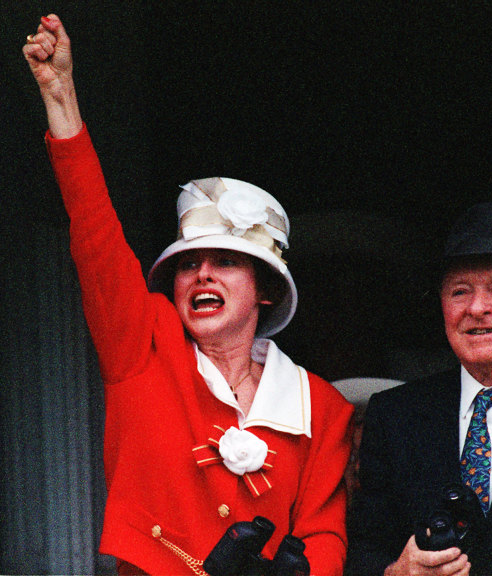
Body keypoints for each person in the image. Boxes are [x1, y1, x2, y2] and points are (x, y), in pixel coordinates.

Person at [23, 15, 354, 576]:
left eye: (225, 262)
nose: (202, 275)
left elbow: (323, 535)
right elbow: (97, 237)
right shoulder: (143, 346)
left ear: (265, 291)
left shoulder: (319, 406)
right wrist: (62, 100)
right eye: (187, 265)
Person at [347, 201, 492, 576]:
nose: (476, 308)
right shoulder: (394, 415)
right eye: (459, 292)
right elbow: (361, 549)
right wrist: (395, 571)